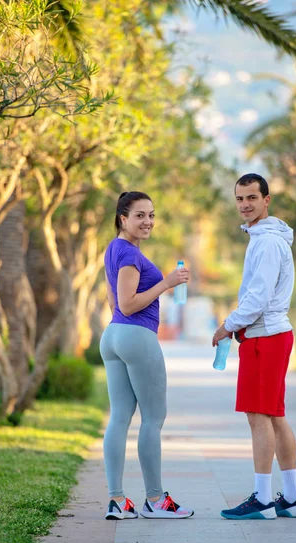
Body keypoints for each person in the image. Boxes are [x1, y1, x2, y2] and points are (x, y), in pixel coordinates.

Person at [212, 173, 296, 520]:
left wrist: (228, 325)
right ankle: (292, 499)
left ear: (267, 200)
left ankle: (263, 500)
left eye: (252, 197)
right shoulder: (266, 237)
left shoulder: (266, 241)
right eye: (239, 199)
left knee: (258, 416)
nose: (245, 204)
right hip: (272, 334)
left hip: (265, 337)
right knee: (275, 415)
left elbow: (258, 296)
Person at [100, 190, 194, 520]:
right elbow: (127, 304)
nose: (148, 221)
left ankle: (117, 500)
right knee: (153, 419)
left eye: (151, 215)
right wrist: (166, 283)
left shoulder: (113, 249)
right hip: (136, 336)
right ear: (122, 219)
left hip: (113, 336)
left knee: (120, 417)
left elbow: (114, 303)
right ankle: (155, 500)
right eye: (140, 215)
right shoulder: (129, 254)